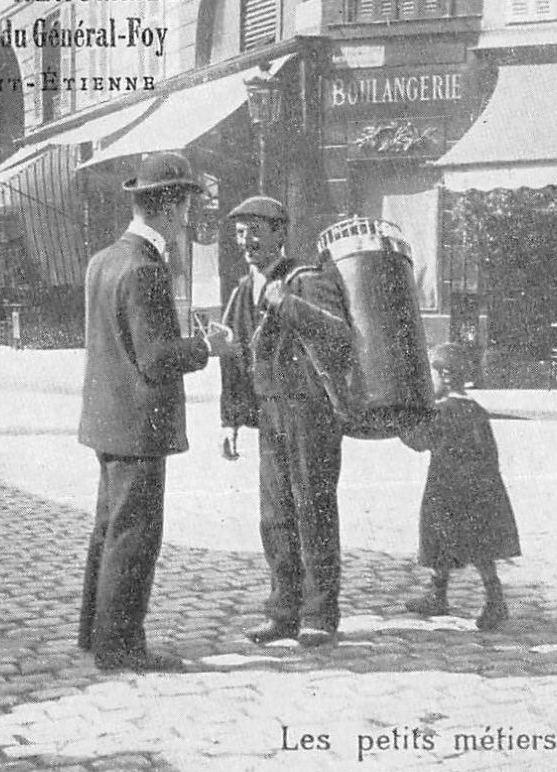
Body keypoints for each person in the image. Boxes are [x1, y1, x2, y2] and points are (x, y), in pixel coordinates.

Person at [78, 151, 234, 673]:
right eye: (187, 203)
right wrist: (208, 349)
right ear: (168, 206)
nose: (189, 215)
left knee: (108, 527)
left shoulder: (104, 260)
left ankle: (94, 632)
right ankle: (121, 645)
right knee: (135, 533)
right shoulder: (145, 269)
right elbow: (156, 358)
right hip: (139, 423)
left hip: (106, 419)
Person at [217, 196, 356, 648]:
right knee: (275, 515)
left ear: (281, 233)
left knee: (312, 510)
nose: (248, 242)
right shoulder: (243, 289)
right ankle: (283, 611)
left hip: (311, 411)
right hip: (269, 412)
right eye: (241, 233)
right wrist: (231, 420)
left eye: (256, 231)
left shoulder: (307, 280)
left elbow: (340, 334)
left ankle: (319, 613)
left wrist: (286, 304)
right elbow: (235, 355)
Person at [398, 343, 520, 630]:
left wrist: (400, 420)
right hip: (480, 489)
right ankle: (453, 595)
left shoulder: (442, 411)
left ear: (445, 376)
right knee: (477, 547)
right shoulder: (476, 410)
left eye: (432, 376)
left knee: (447, 539)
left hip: (449, 491)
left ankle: (491, 602)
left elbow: (418, 440)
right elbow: (490, 451)